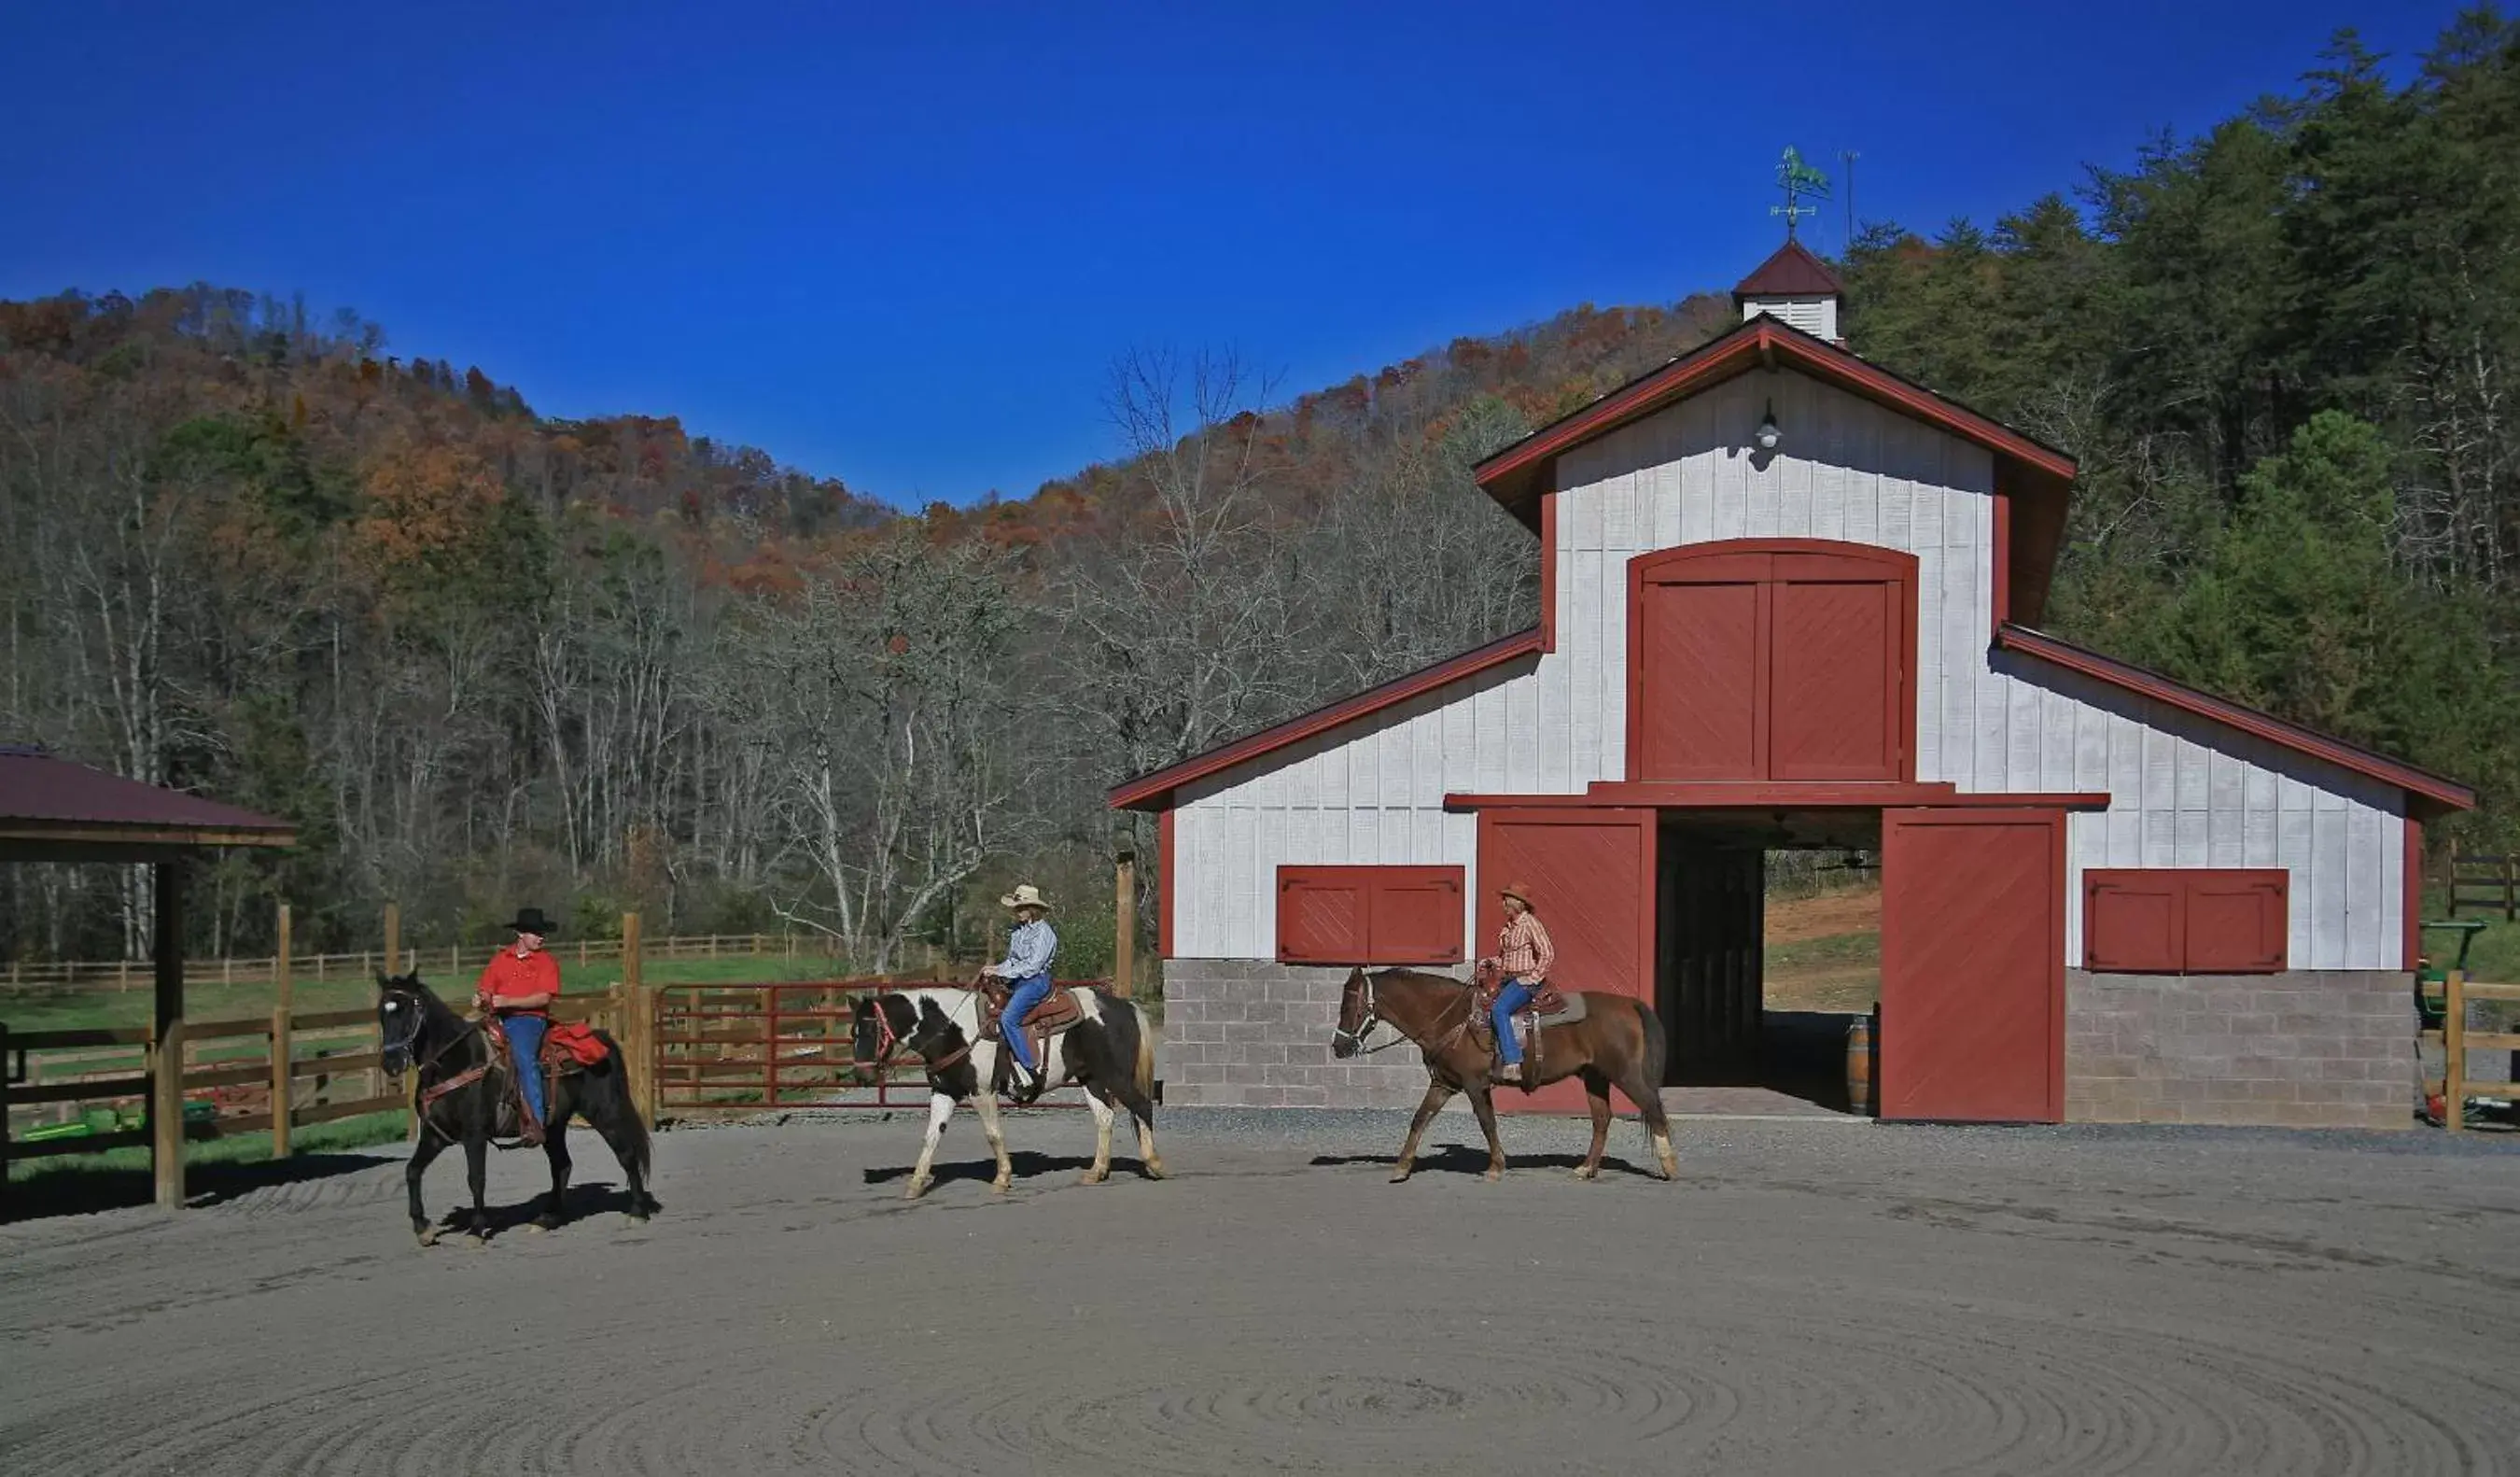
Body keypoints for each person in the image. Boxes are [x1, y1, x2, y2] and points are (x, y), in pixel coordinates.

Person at [473, 907, 562, 1145]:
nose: (541, 937)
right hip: (497, 1017)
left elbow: (544, 998)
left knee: (524, 1057)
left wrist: (509, 1001)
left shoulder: (546, 962)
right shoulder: (501, 960)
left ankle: (536, 1121)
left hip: (528, 1019)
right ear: (520, 934)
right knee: (464, 1043)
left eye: (542, 933)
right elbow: (486, 987)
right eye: (535, 932)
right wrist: (481, 997)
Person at [982, 884, 1057, 1099]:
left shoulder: (1044, 933)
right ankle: (1004, 1072)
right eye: (1016, 907)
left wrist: (1004, 971)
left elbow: (1033, 966)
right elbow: (1013, 960)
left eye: (1020, 907)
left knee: (1008, 1019)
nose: (1016, 911)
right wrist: (996, 969)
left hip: (1036, 982)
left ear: (1032, 908)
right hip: (1018, 980)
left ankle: (1030, 1071)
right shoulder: (1017, 931)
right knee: (990, 1013)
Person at [1478, 881, 1554, 1084]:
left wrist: (1534, 977)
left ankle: (1513, 1062)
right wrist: (1490, 961)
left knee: (1500, 1009)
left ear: (1516, 903)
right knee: (1480, 1003)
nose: (1503, 903)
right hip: (1509, 979)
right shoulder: (1509, 927)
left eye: (1506, 899)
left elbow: (1547, 953)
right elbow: (1506, 959)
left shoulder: (1530, 924)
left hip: (1526, 980)